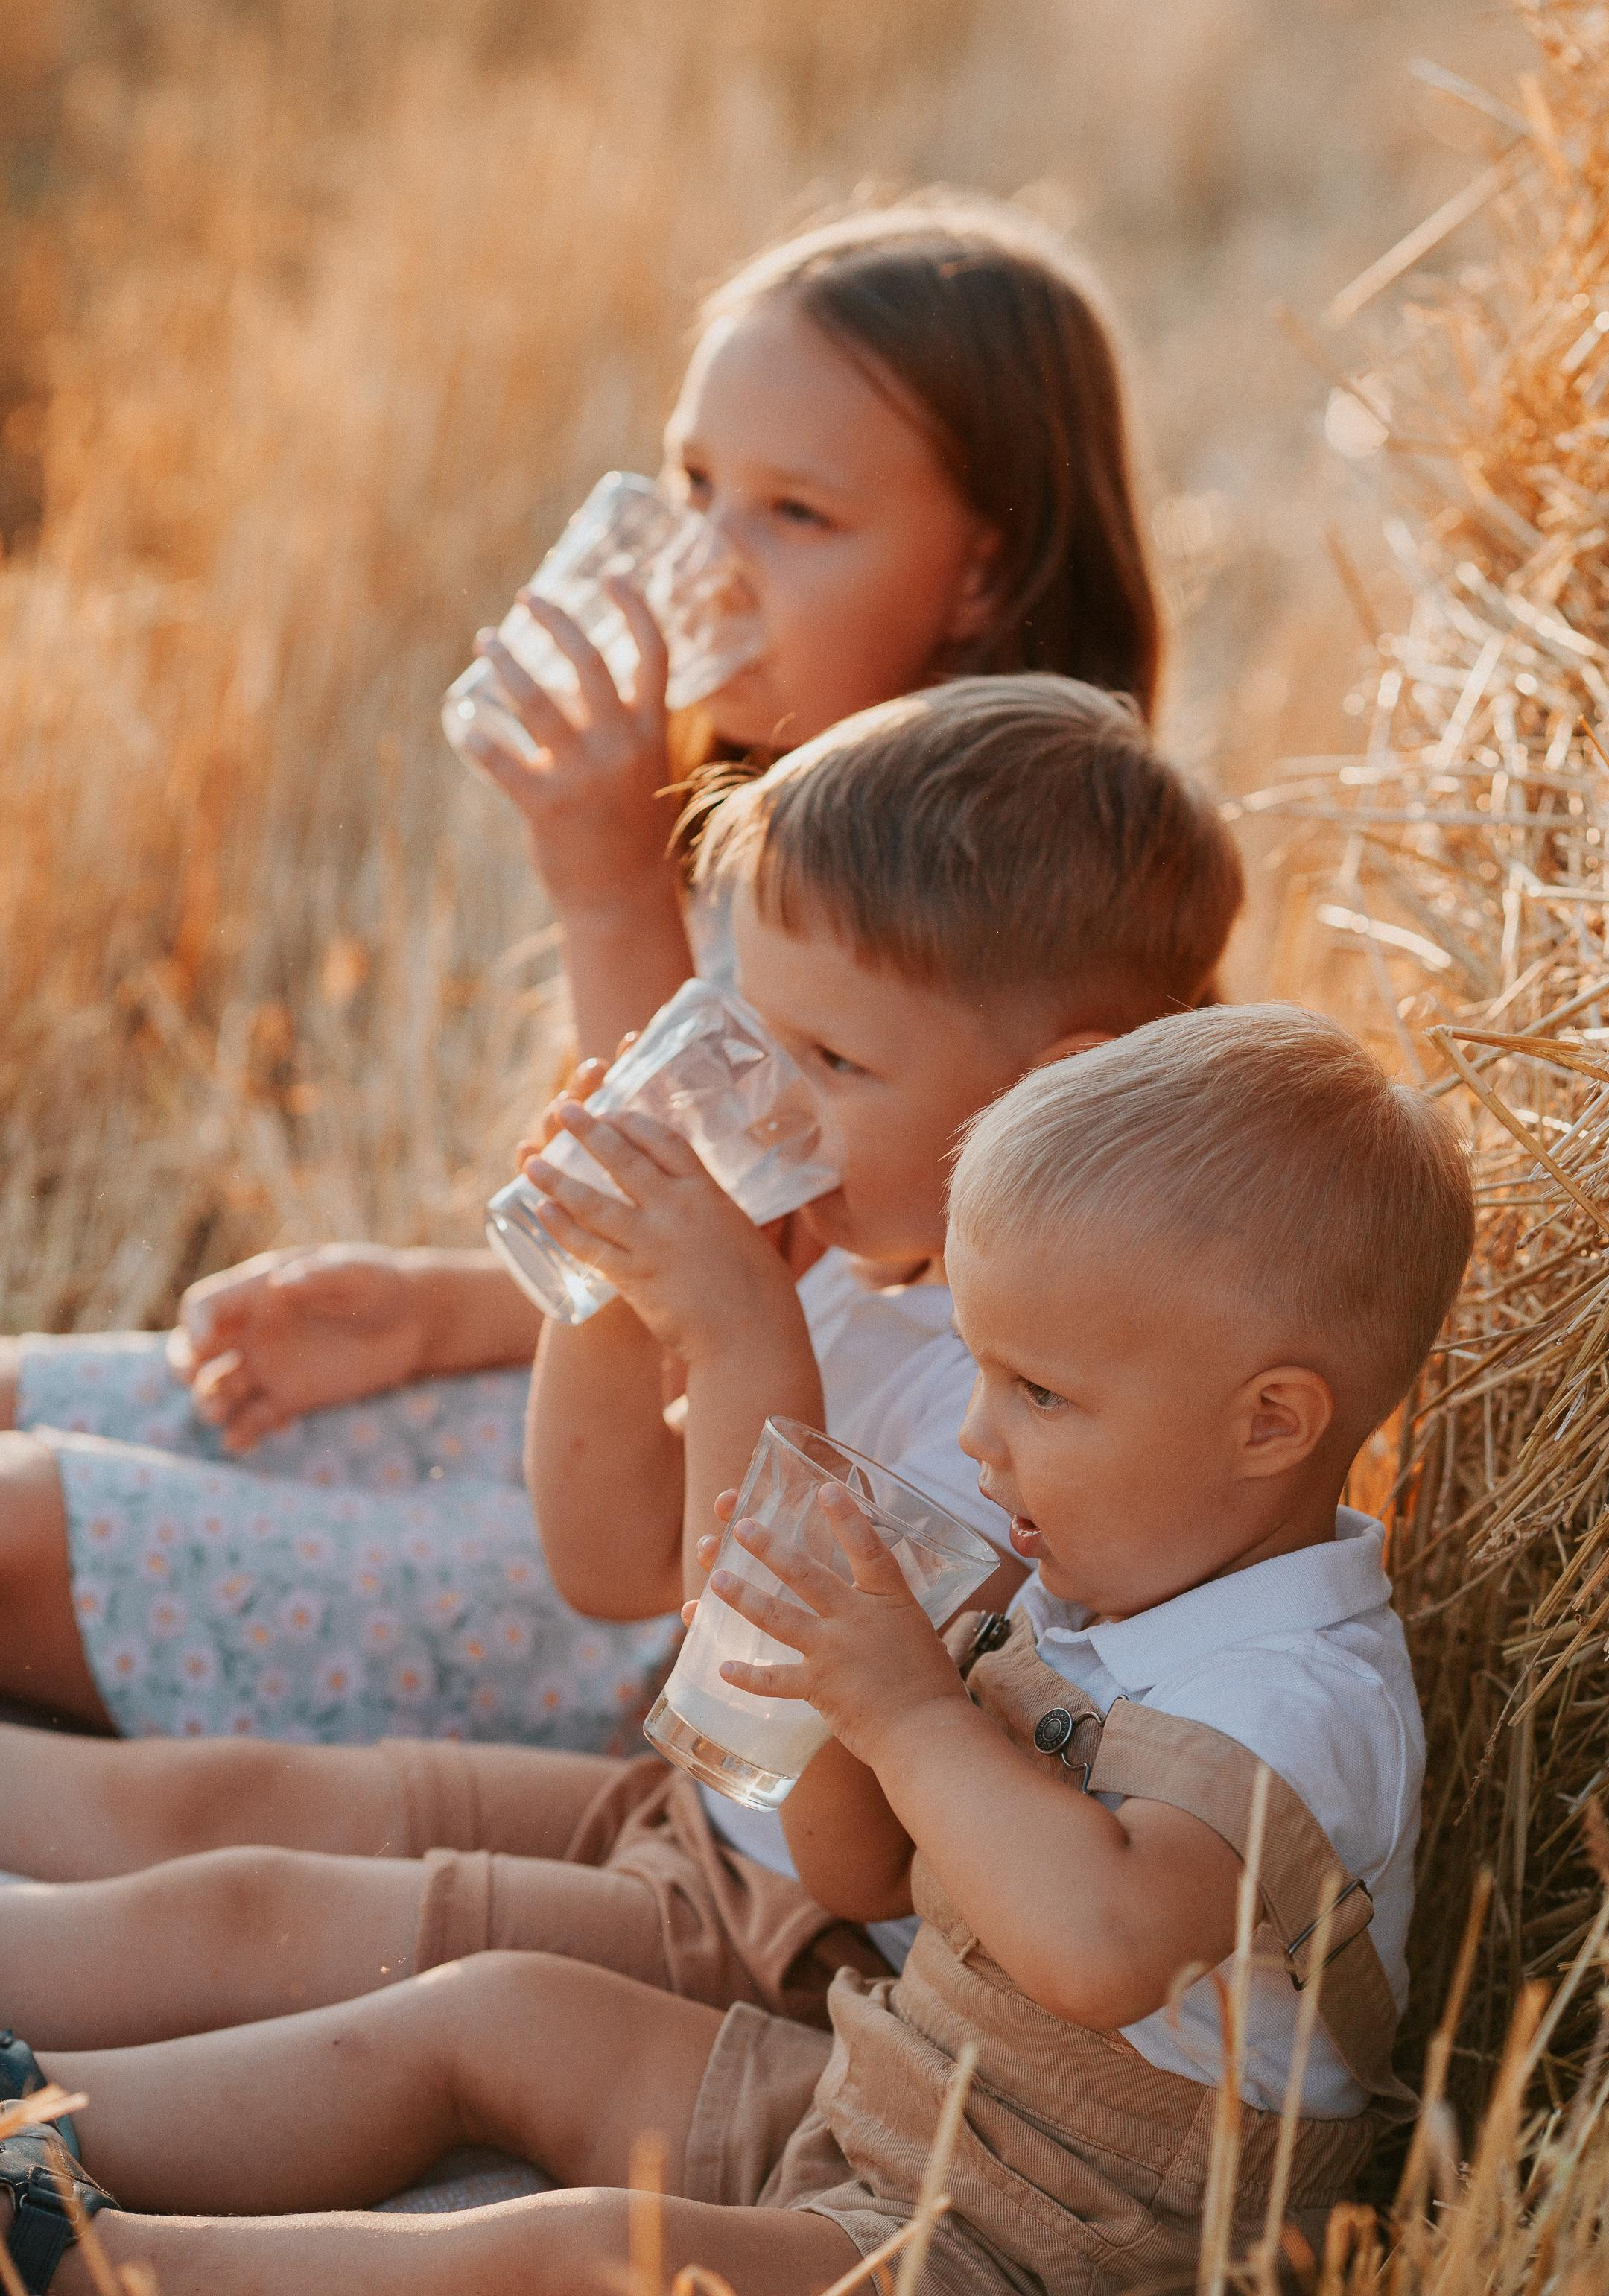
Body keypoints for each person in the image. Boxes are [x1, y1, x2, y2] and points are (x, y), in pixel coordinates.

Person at [0, 1004, 1473, 2296]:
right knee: (498, 2011)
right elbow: (860, 1879)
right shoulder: (1103, 1581)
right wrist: (816, 1682)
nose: (976, 1435)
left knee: (577, 2261)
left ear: (1269, 1422)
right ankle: (45, 2134)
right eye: (978, 1368)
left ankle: (99, 2268)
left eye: (1035, 1392)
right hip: (885, 2090)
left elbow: (1096, 1951)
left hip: (1052, 2245)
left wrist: (903, 1706)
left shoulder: (1303, 1695)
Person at [0, 193, 1164, 1748]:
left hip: (690, 1575)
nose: (709, 563)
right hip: (587, 1420)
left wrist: (609, 891)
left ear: (980, 578)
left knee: (19, 1534)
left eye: (795, 516)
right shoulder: (764, 817)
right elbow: (710, 1251)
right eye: (696, 486)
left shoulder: (1010, 927)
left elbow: (764, 1294)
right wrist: (436, 1312)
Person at [0, 677, 1243, 2048]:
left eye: (829, 1058)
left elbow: (783, 1742)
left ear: (1056, 1087)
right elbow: (605, 1561)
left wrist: (734, 1336)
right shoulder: (854, 1251)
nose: (767, 1095)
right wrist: (601, 1281)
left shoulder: (1031, 1399)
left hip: (802, 1933)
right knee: (240, 1810)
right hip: (687, 1817)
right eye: (751, 1026)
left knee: (263, 1916)